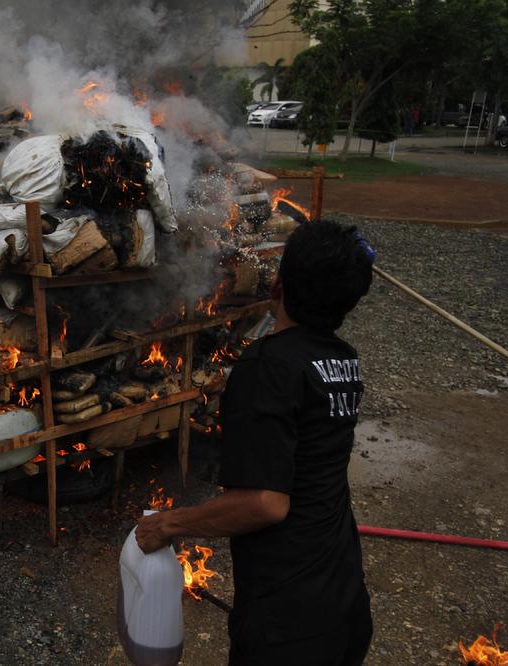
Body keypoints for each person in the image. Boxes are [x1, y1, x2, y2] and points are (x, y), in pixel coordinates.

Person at [137, 220, 375, 665]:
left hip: (289, 623)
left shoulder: (267, 366)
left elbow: (266, 503)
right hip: (343, 600)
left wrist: (170, 524)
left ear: (278, 284)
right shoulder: (343, 360)